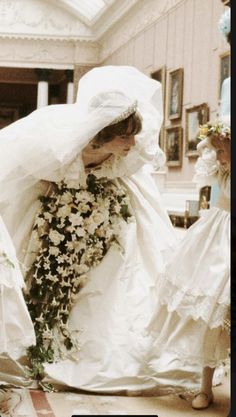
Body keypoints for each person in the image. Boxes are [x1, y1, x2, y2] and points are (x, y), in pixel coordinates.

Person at [0, 66, 180, 393]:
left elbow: (135, 167)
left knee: (123, 275)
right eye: (124, 136)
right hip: (57, 213)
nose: (132, 143)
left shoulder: (128, 157)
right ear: (102, 134)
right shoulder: (60, 150)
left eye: (133, 135)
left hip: (114, 213)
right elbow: (22, 172)